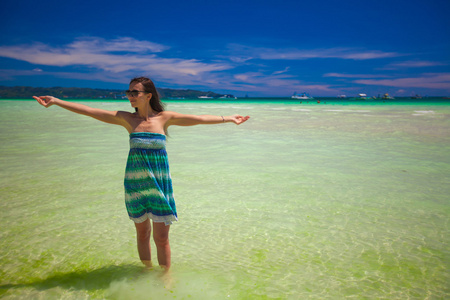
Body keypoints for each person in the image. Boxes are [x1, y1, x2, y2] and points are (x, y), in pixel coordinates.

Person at [33, 76, 250, 270]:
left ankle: (165, 278)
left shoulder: (165, 118)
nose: (129, 96)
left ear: (148, 96)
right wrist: (56, 101)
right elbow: (89, 111)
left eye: (134, 92)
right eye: (128, 92)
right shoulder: (126, 118)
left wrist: (229, 118)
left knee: (162, 238)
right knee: (142, 234)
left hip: (159, 184)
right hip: (135, 184)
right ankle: (146, 272)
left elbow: (199, 118)